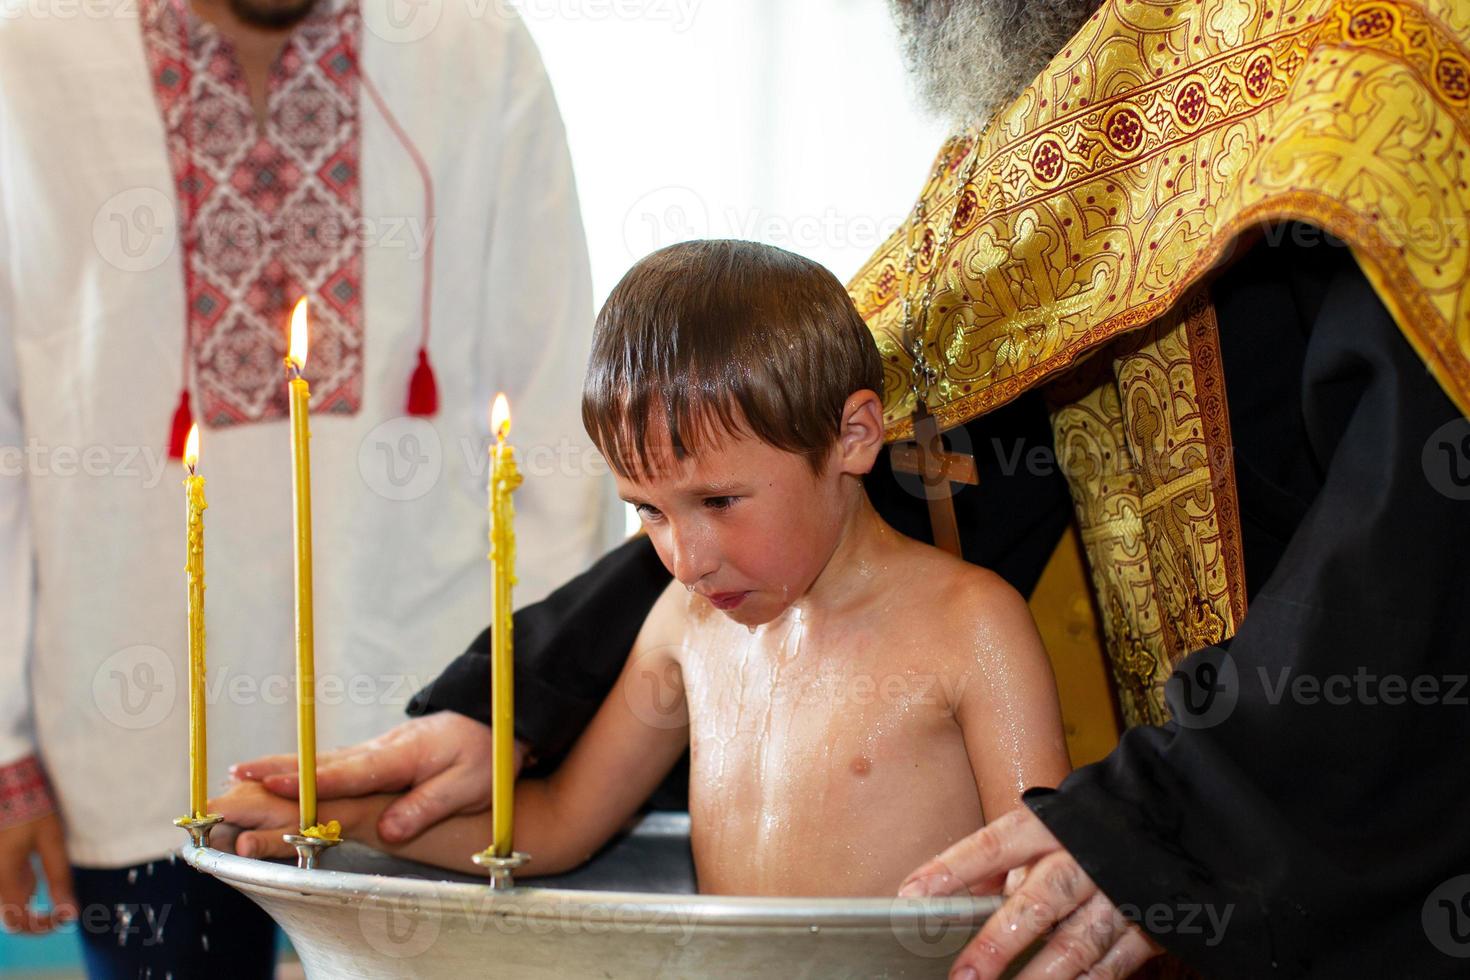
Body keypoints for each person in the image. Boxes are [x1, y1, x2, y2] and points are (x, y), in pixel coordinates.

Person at [238, 0, 1470, 976]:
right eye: (647, 513)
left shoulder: (1365, 57)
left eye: (704, 510)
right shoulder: (1070, 110)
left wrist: (1186, 815)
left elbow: (1421, 527)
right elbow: (899, 432)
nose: (686, 547)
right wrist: (508, 698)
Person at [0, 0, 615, 975]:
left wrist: (540, 709)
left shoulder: (470, 42)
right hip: (134, 724)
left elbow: (556, 406)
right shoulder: (26, 54)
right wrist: (4, 744)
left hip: (438, 737)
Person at [216, 240, 1071, 894]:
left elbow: (1047, 882)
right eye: (648, 511)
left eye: (720, 502)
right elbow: (552, 826)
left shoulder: (969, 627)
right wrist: (333, 818)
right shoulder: (683, 628)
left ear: (852, 438)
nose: (684, 559)